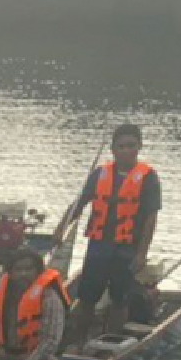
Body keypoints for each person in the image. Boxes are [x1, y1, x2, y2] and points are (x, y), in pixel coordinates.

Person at [63, 123, 161, 347]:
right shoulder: (100, 174)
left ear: (139, 147)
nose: (126, 151)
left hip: (127, 248)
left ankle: (111, 341)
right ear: (113, 149)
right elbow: (79, 203)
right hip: (99, 245)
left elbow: (150, 217)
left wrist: (141, 253)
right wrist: (62, 227)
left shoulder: (148, 177)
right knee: (87, 297)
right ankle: (79, 340)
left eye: (131, 146)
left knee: (120, 298)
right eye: (121, 146)